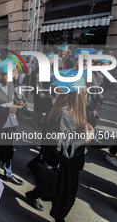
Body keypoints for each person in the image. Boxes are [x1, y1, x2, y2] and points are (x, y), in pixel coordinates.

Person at [25, 75, 93, 222]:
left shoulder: (74, 110)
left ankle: (34, 195)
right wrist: (84, 139)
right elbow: (60, 147)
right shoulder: (62, 114)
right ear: (76, 95)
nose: (87, 95)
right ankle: (58, 218)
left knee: (51, 188)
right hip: (63, 164)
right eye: (85, 92)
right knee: (62, 195)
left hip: (70, 161)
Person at [0, 59, 24, 185]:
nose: (11, 80)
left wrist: (17, 103)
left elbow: (12, 99)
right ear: (0, 74)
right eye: (8, 76)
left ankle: (8, 173)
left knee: (8, 150)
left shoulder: (10, 84)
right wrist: (7, 110)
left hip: (10, 124)